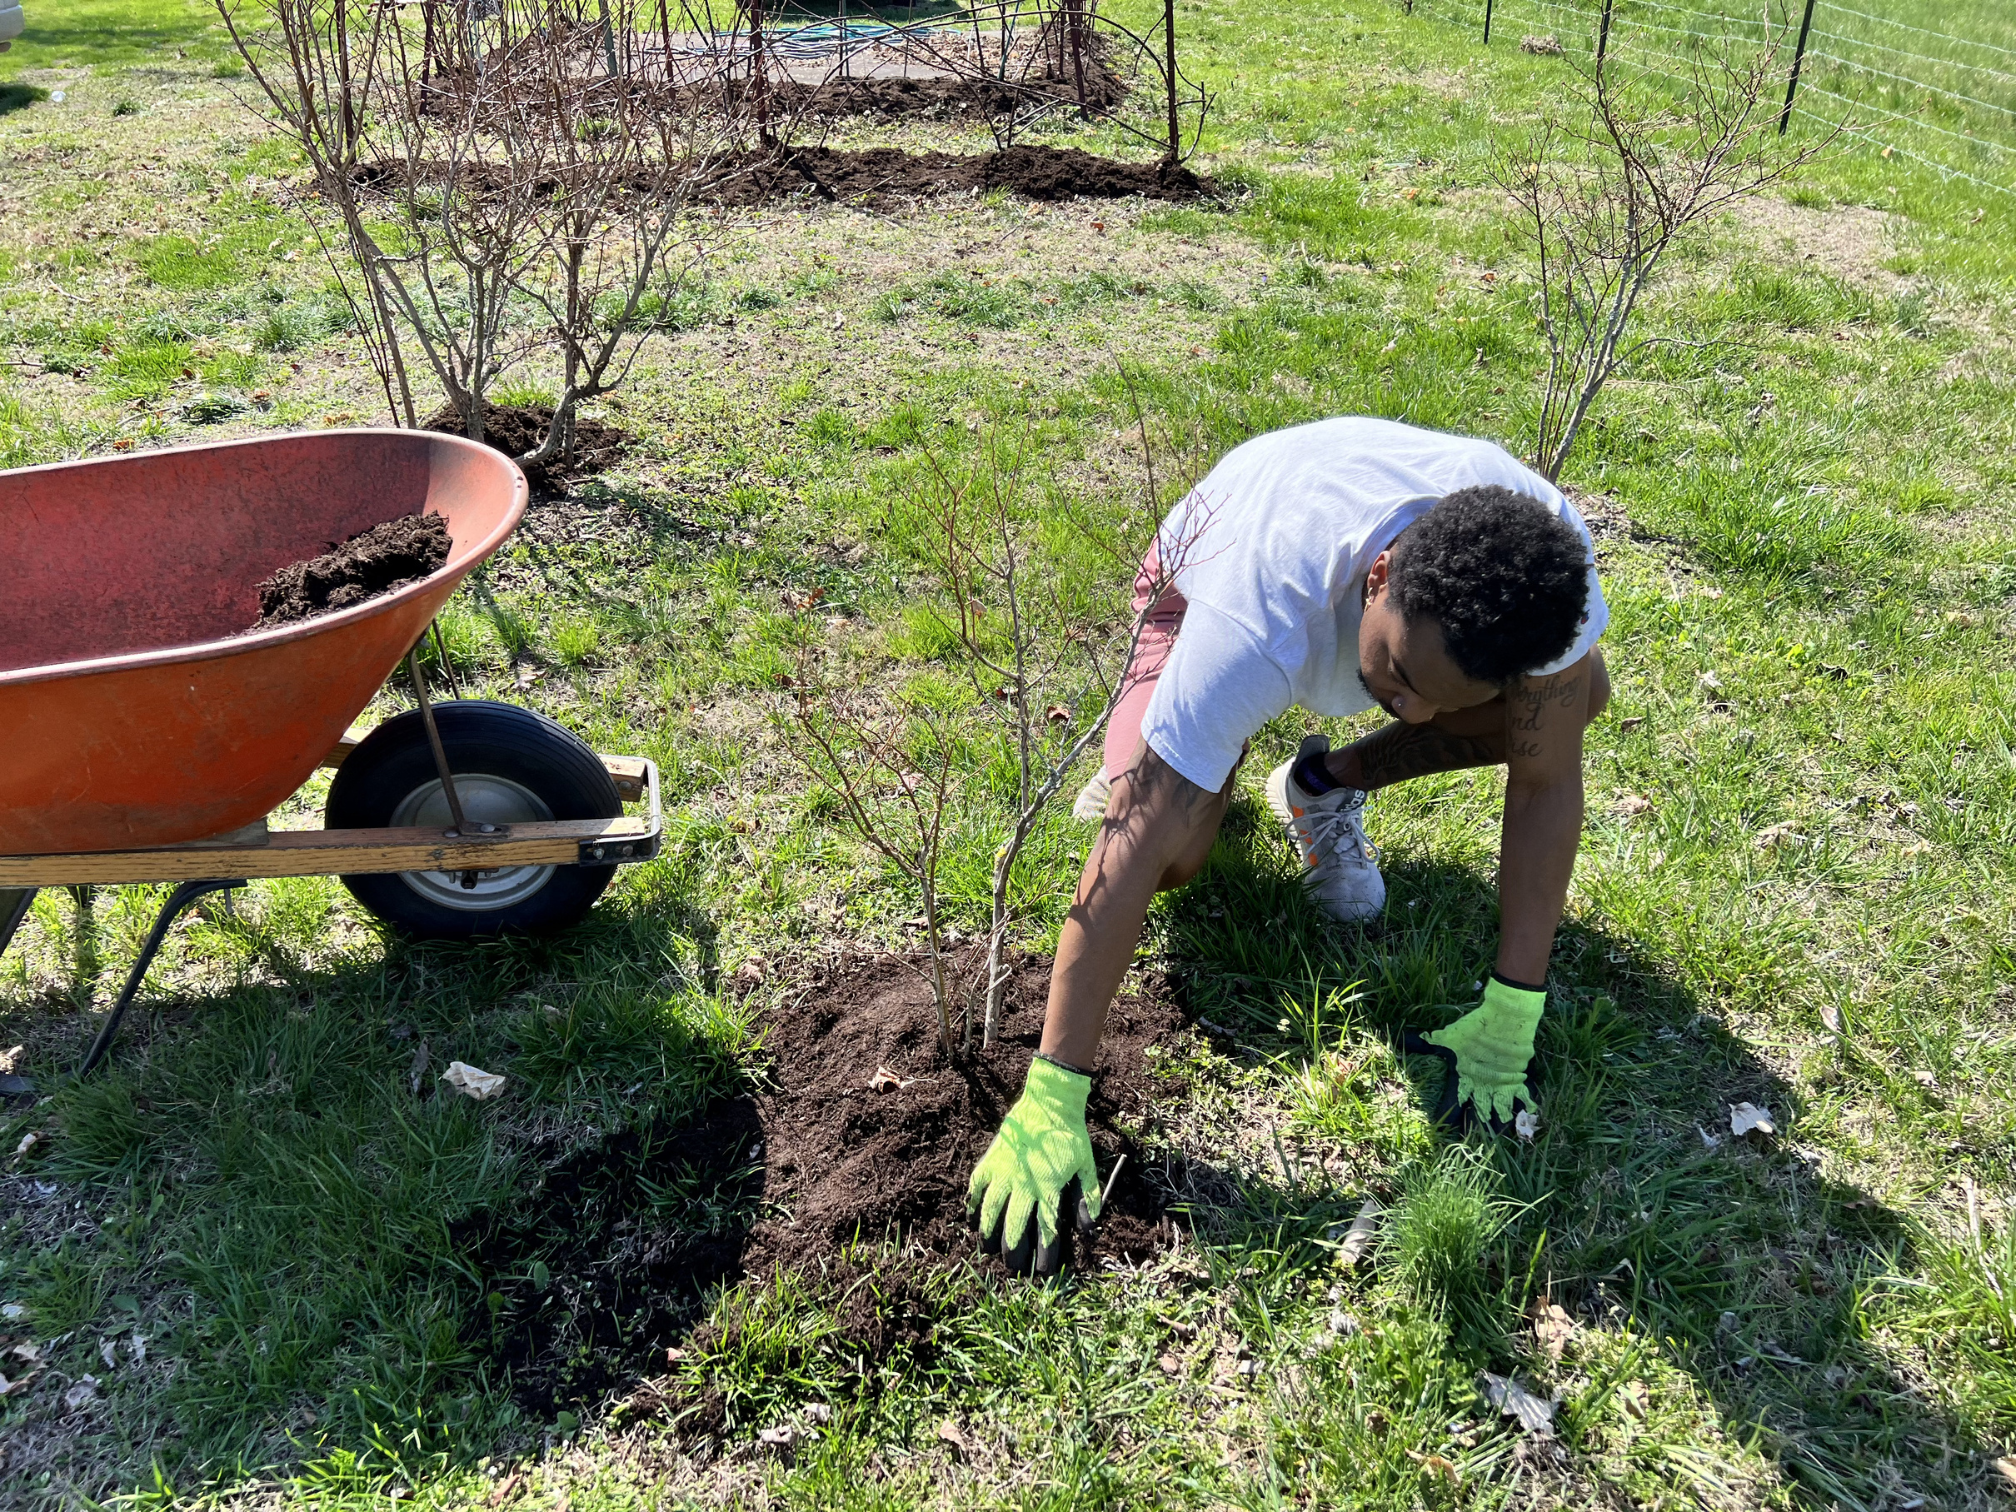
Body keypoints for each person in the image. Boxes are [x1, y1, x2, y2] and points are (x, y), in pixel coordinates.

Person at [964, 416, 1611, 1274]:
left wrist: (1511, 1015)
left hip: (1339, 602)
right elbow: (1135, 846)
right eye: (1407, 680)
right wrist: (1054, 1088)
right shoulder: (1257, 612)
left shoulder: (1540, 592)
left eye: (1441, 700)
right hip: (1198, 580)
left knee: (1577, 701)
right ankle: (1163, 751)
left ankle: (1316, 784)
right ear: (1379, 578)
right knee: (1178, 850)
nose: (1414, 714)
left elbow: (1545, 781)